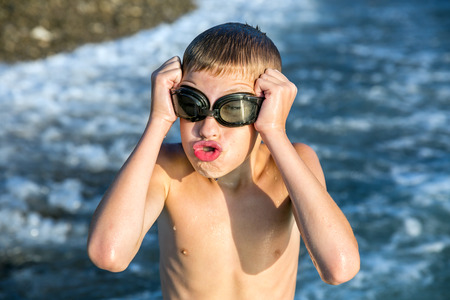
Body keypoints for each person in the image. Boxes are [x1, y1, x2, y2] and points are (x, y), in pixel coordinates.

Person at [87, 22, 360, 300]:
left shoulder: (292, 166)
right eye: (191, 104)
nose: (207, 128)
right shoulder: (165, 169)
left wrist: (275, 131)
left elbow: (339, 268)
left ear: (266, 106)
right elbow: (108, 254)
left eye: (232, 109)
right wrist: (158, 120)